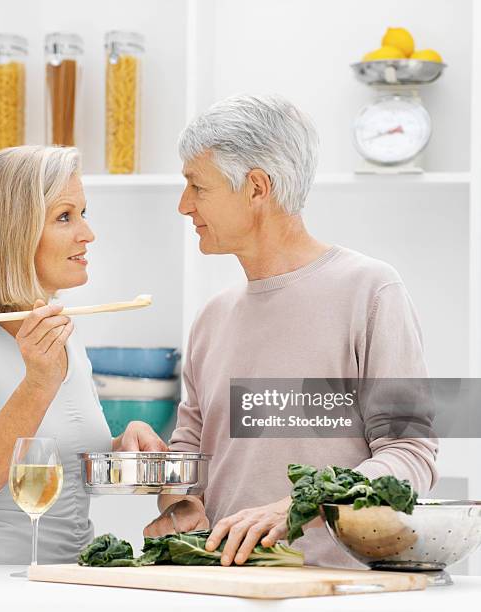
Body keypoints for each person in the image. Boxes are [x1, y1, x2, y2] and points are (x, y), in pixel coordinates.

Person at [143, 94, 438, 568]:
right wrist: (181, 506)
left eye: (197, 186)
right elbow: (190, 458)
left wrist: (301, 506)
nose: (183, 205)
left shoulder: (370, 290)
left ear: (256, 187)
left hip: (339, 590)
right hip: (223, 584)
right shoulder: (212, 319)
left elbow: (410, 454)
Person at [0, 145, 165, 566]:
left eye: (84, 212)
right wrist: (38, 384)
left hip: (73, 581)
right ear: (15, 230)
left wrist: (122, 448)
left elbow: (68, 471)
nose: (87, 233)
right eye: (65, 216)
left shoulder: (58, 329)